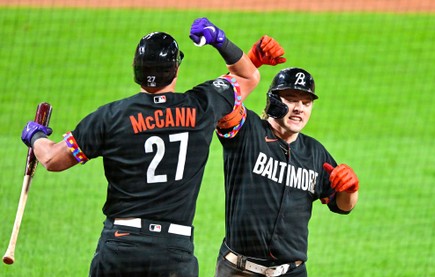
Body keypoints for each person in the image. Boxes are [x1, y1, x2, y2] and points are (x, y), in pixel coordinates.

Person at [20, 17, 262, 277]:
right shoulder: (202, 106)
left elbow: (53, 159)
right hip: (174, 253)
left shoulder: (111, 116)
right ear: (176, 69)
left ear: (136, 69)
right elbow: (247, 75)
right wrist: (220, 41)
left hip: (120, 246)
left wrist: (35, 136)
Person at [214, 42, 360, 276]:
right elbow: (217, 101)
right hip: (240, 271)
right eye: (291, 99)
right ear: (273, 101)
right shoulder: (247, 132)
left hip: (293, 272)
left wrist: (351, 190)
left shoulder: (315, 153)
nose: (299, 108)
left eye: (306, 102)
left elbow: (342, 207)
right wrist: (248, 65)